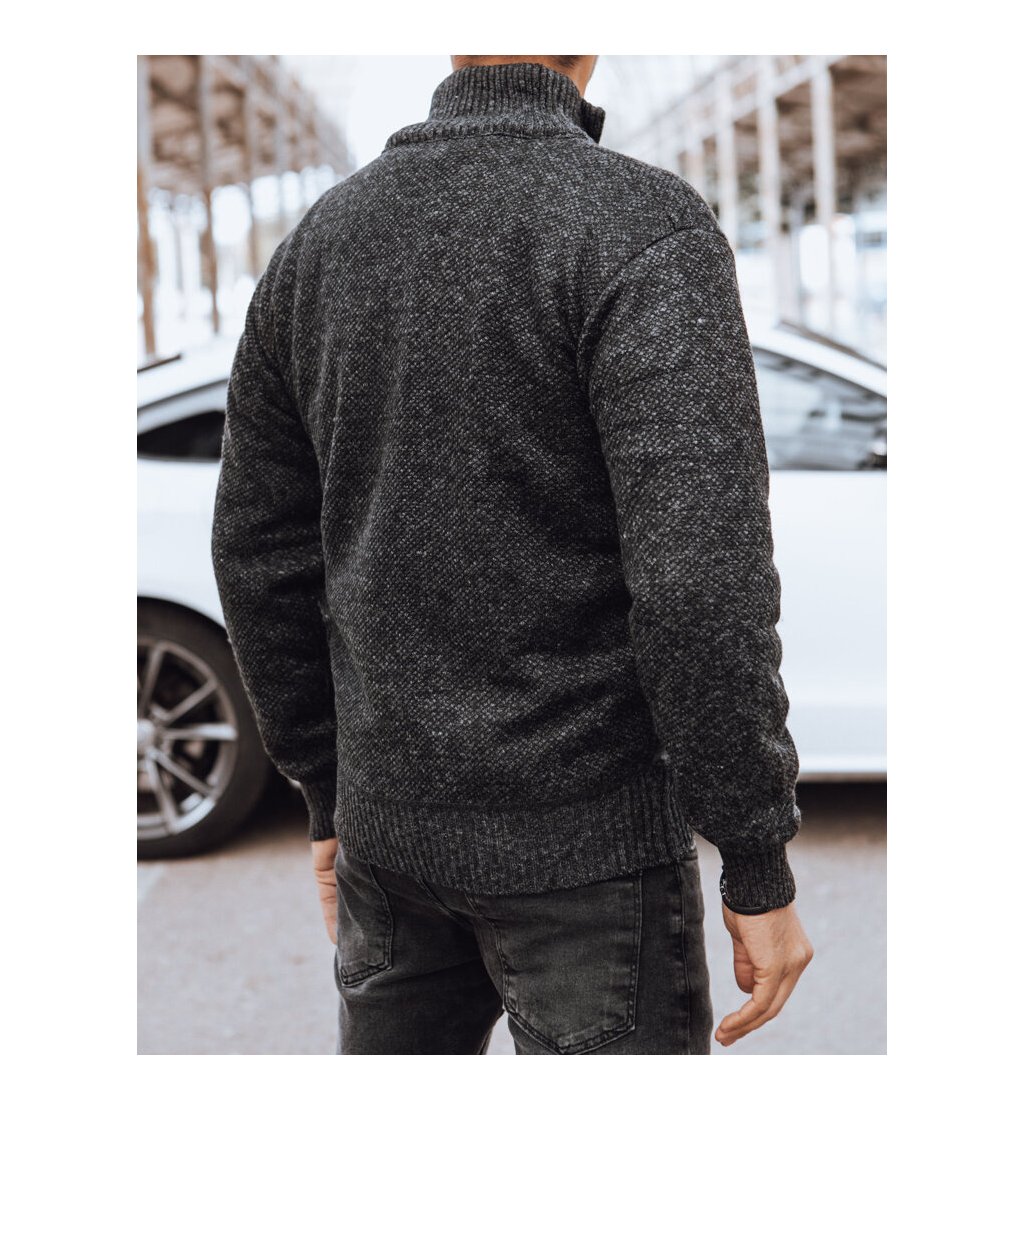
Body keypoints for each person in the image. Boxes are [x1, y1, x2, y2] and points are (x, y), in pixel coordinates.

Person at [212, 55, 813, 1055]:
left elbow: (257, 557)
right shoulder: (642, 226)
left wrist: (327, 791)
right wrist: (755, 858)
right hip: (591, 855)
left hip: (385, 844)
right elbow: (697, 585)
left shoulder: (320, 243)